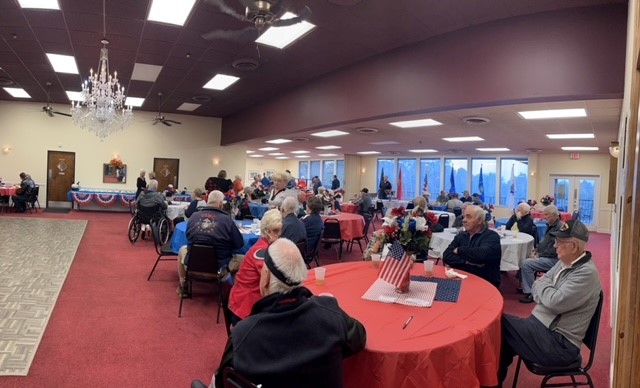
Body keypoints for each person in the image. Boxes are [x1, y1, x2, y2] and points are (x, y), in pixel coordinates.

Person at [208, 238, 366, 388]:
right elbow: (359, 338)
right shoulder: (331, 315)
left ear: (266, 278)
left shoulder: (243, 335)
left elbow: (222, 380)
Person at [498, 220, 602, 383]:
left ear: (574, 246)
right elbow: (539, 283)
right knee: (504, 339)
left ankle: (493, 381)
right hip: (542, 327)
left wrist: (544, 289)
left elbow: (553, 301)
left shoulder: (586, 274)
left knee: (500, 324)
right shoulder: (564, 261)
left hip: (559, 343)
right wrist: (546, 288)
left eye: (560, 242)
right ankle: (494, 381)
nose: (555, 246)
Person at [177, 190, 244, 297]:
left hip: (193, 265)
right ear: (221, 204)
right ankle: (230, 295)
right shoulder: (227, 220)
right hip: (219, 268)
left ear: (207, 201)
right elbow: (239, 244)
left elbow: (188, 236)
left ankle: (183, 286)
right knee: (244, 259)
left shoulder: (193, 217)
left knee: (182, 250)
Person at [227, 209, 283, 323]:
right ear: (267, 231)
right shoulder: (261, 252)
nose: (280, 234)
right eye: (276, 231)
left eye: (280, 230)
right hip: (246, 308)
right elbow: (272, 279)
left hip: (247, 301)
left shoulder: (264, 246)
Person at [443, 205, 502, 288]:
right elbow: (446, 256)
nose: (464, 220)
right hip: (460, 277)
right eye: (463, 217)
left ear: (480, 221)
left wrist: (459, 250)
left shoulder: (492, 236)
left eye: (468, 217)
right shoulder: (461, 235)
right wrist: (468, 262)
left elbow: (481, 255)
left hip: (484, 281)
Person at [518, 205, 565, 303]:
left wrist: (540, 255)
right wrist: (536, 251)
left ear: (554, 215)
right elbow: (544, 243)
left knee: (526, 263)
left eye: (547, 215)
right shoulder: (551, 225)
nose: (545, 217)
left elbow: (555, 250)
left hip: (555, 260)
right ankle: (525, 285)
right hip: (547, 255)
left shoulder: (560, 228)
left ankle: (531, 292)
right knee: (524, 257)